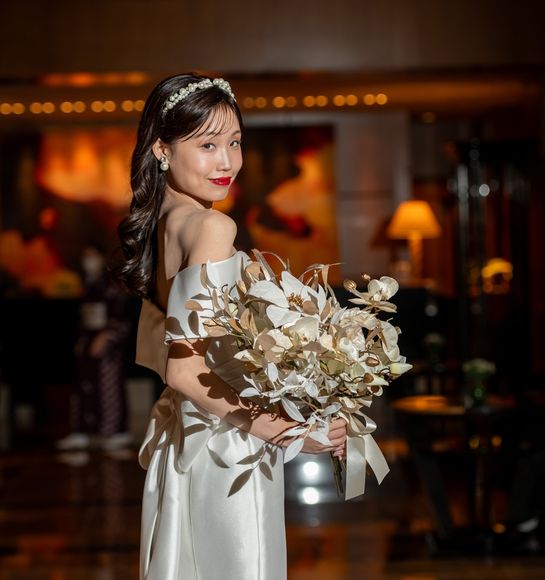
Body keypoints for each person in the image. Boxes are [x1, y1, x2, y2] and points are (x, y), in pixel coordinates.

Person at [115, 73, 347, 580]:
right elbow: (183, 370)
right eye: (208, 145)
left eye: (235, 142)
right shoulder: (211, 226)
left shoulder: (163, 225)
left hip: (186, 440)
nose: (227, 162)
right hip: (227, 450)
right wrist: (287, 431)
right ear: (162, 149)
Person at [57, 243, 132, 452]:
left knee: (108, 386)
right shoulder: (87, 283)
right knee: (83, 386)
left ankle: (115, 431)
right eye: (85, 256)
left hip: (107, 342)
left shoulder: (111, 283)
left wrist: (107, 335)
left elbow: (121, 316)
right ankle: (82, 431)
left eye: (92, 255)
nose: (88, 260)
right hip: (88, 340)